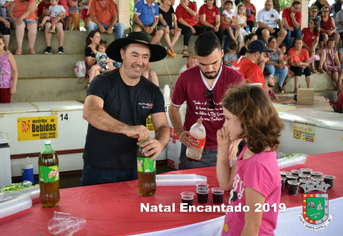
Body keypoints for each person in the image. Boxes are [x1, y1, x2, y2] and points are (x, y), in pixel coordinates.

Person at [81, 32, 170, 186]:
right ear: (122, 54)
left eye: (144, 57)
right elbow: (90, 112)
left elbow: (162, 126)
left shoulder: (153, 91)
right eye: (134, 55)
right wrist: (126, 129)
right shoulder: (102, 82)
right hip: (99, 167)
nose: (139, 62)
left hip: (137, 166)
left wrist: (160, 143)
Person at [169, 31, 245, 169]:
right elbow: (173, 107)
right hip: (194, 147)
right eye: (203, 64)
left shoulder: (235, 79)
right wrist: (180, 132)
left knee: (225, 188)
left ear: (222, 54)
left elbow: (245, 114)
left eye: (214, 63)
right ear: (196, 58)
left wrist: (237, 141)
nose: (209, 69)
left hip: (226, 146)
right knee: (191, 188)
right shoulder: (186, 78)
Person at [216, 85, 282, 235]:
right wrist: (223, 147)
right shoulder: (249, 149)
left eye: (227, 119)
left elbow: (252, 227)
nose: (224, 124)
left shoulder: (257, 165)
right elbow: (225, 183)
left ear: (248, 120)